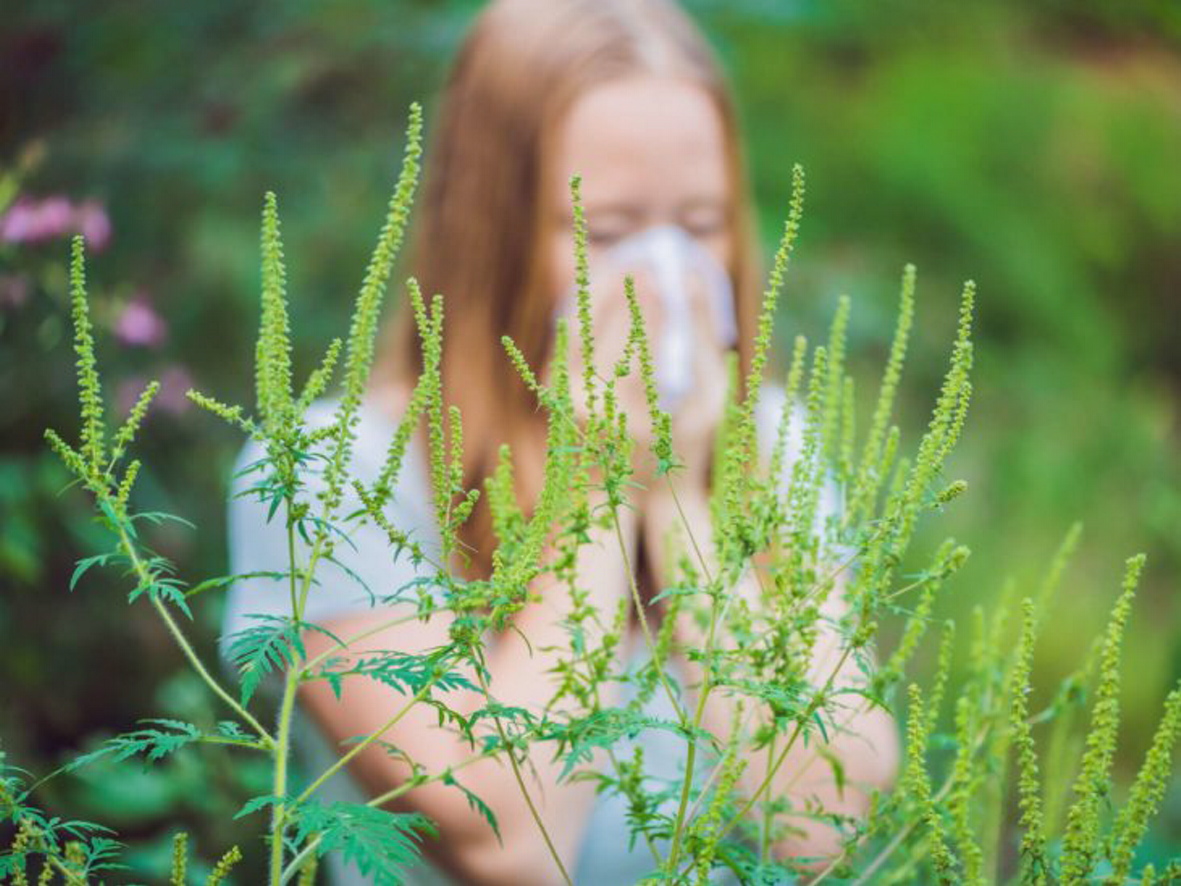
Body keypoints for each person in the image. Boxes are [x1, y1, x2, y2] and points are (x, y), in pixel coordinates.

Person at [222, 0, 899, 883]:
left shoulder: (780, 445)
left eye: (697, 226)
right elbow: (509, 839)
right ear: (491, 234)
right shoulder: (330, 474)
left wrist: (683, 499)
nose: (662, 276)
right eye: (607, 233)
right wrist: (602, 486)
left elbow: (818, 831)